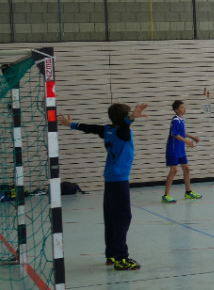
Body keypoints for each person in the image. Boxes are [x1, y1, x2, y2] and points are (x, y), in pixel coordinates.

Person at [58, 102, 148, 271]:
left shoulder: (107, 130)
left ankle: (112, 254)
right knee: (122, 218)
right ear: (124, 117)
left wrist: (71, 125)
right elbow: (125, 127)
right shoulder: (123, 132)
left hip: (110, 179)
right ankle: (121, 258)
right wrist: (131, 118)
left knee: (112, 218)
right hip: (119, 180)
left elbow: (91, 127)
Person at [162, 100, 202, 203]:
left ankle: (188, 192)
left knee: (187, 169)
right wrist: (186, 141)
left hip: (180, 149)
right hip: (173, 149)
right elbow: (174, 134)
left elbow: (182, 132)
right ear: (176, 110)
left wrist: (192, 137)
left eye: (184, 107)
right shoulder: (175, 120)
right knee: (174, 170)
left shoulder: (181, 119)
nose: (184, 108)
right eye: (182, 107)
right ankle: (166, 195)